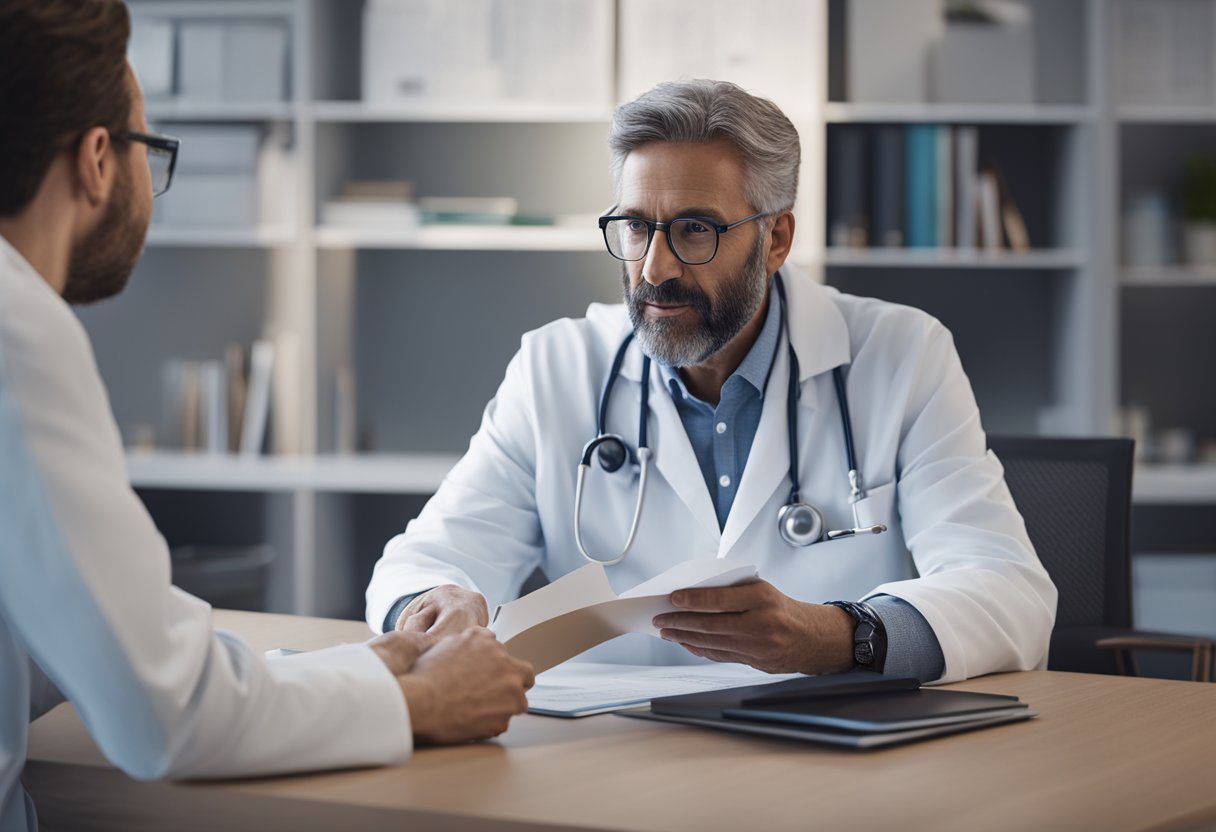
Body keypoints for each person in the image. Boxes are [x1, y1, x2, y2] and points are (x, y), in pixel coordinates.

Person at [0, 3, 534, 829]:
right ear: (98, 161)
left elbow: (47, 643)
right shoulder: (19, 330)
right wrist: (423, 701)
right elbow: (163, 716)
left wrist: (365, 670)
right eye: (151, 150)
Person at [366, 79, 1058, 684]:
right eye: (637, 228)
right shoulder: (557, 368)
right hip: (610, 757)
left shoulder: (900, 356)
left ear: (777, 239)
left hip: (827, 756)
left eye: (695, 229)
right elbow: (428, 558)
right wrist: (436, 601)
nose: (654, 268)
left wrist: (833, 636)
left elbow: (1010, 595)